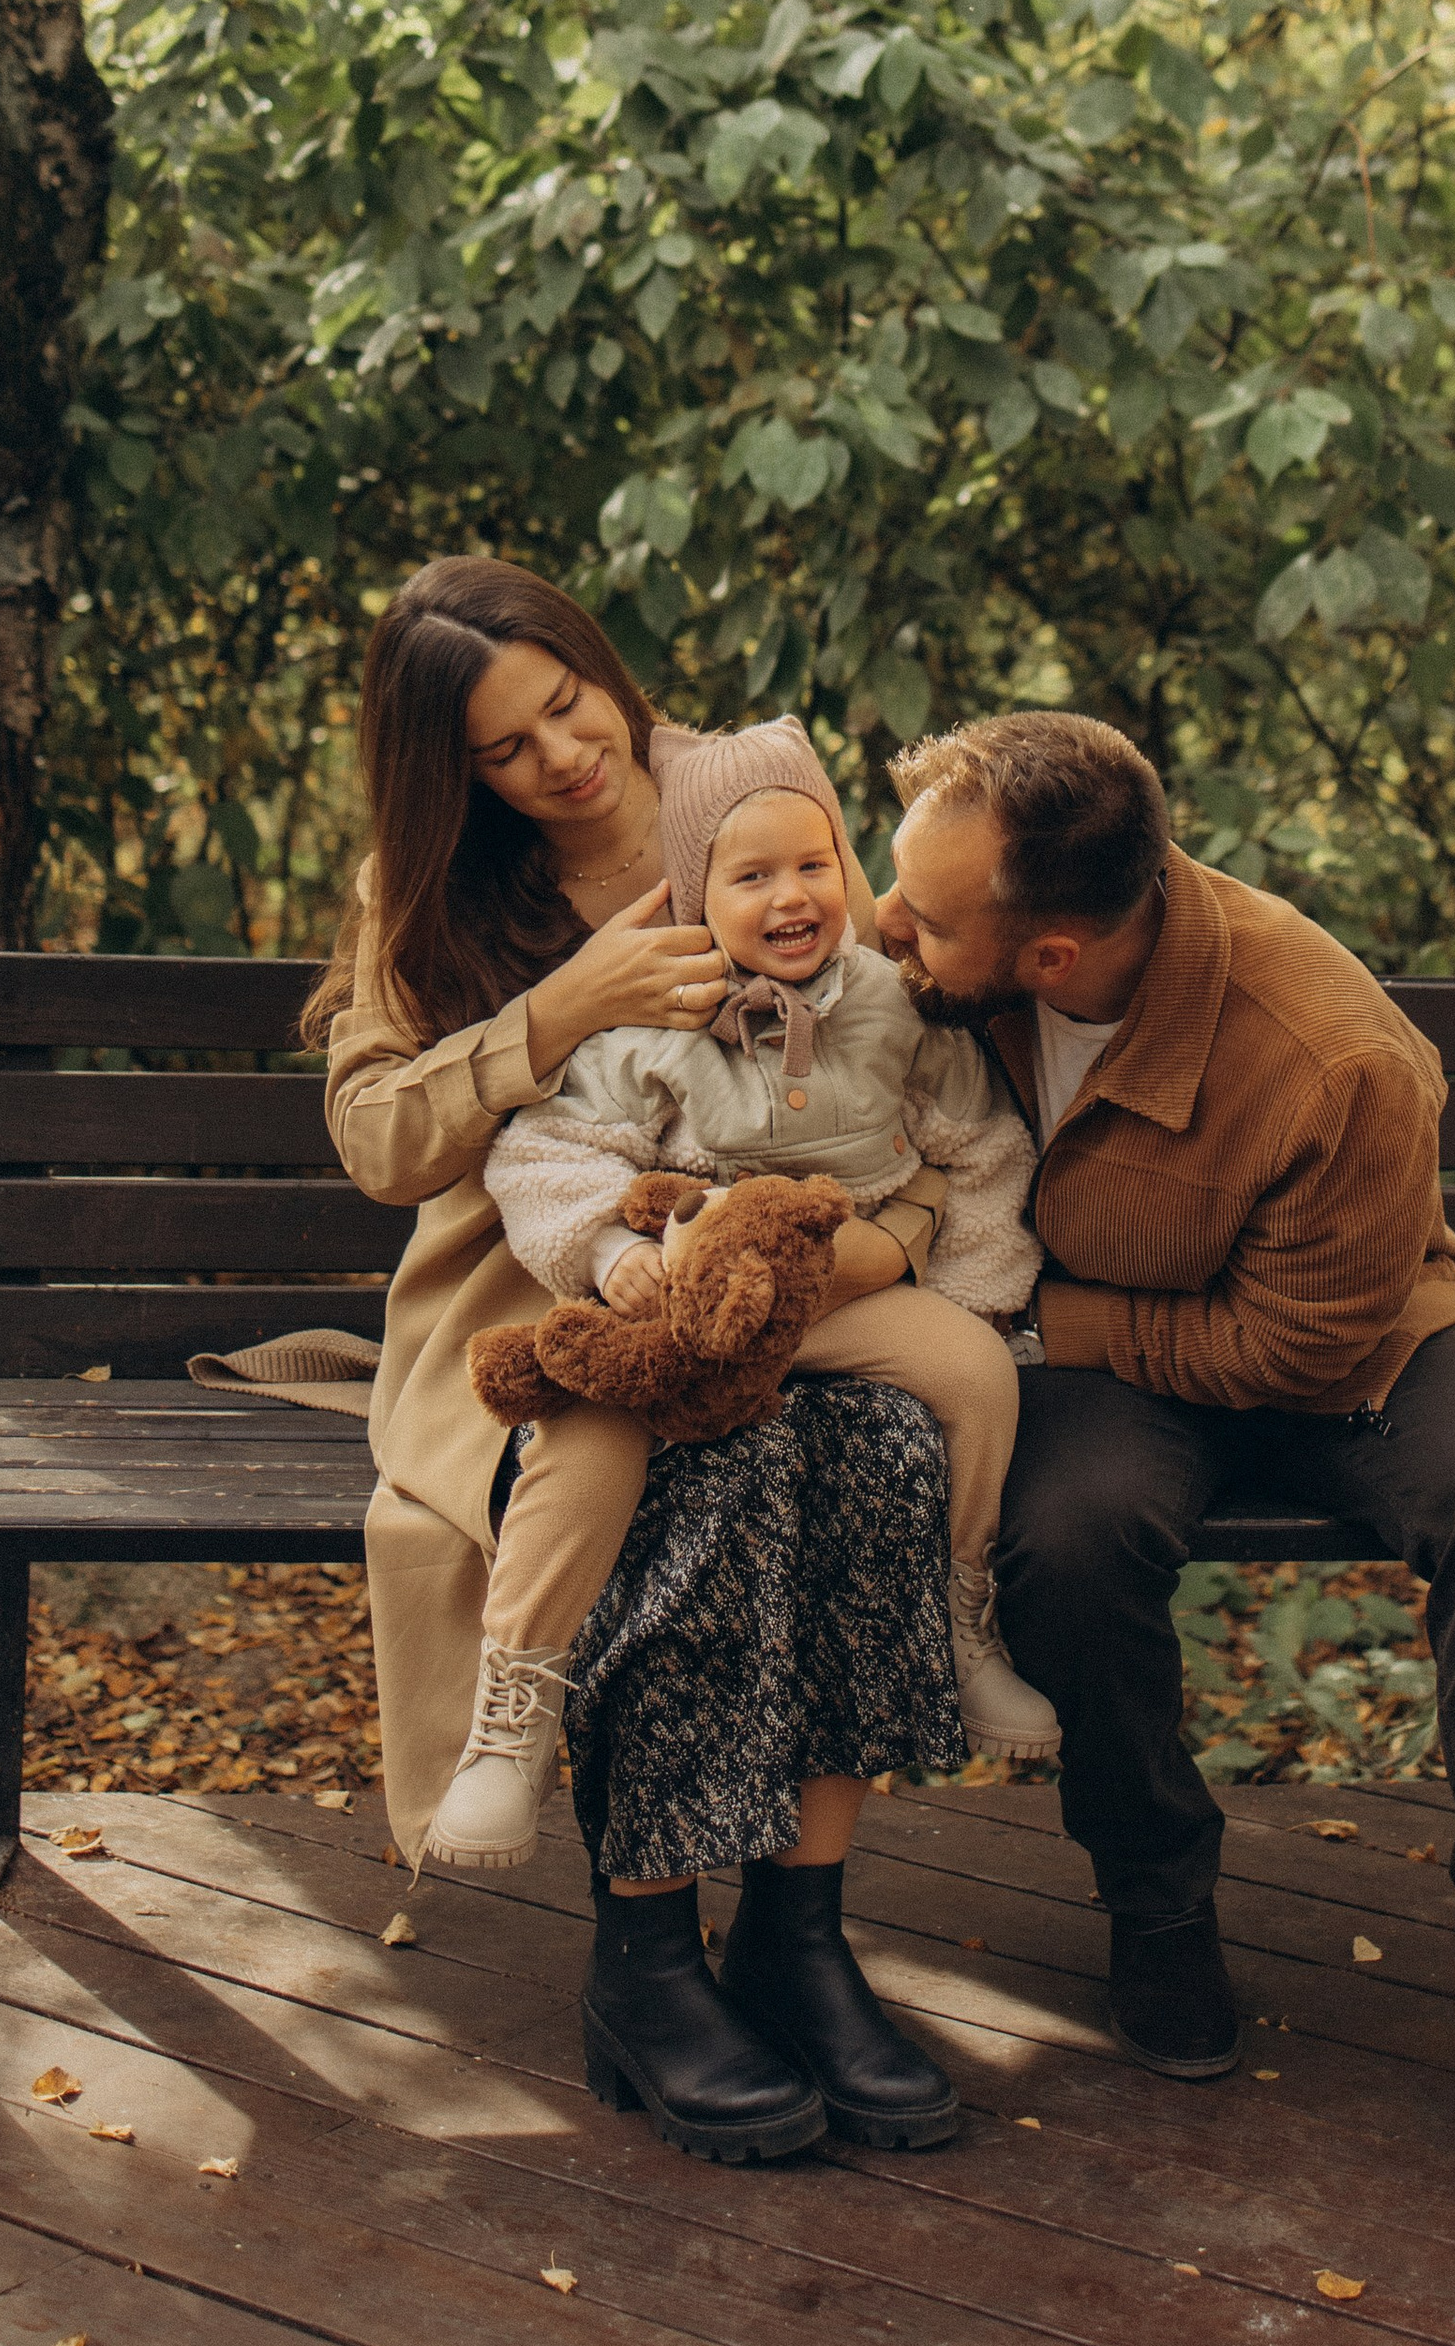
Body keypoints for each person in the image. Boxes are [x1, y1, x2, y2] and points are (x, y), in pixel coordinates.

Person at [876, 709, 1455, 2248]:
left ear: (1056, 955)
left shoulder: (1329, 1052)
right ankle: (1157, 1908)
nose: (887, 925)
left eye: (927, 915)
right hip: (1113, 1374)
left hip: (1341, 1339)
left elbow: (1296, 1346)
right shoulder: (934, 980)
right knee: (1069, 1536)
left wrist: (1045, 1319)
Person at [265, 556, 963, 2162]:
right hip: (551, 1301)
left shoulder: (747, 801)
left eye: (569, 709)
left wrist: (899, 1233)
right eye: (505, 752)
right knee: (709, 1467)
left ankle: (799, 1935)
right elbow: (377, 1137)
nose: (562, 762)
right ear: (456, 774)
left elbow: (908, 1038)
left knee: (880, 1456)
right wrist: (555, 1013)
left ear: (601, 668)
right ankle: (646, 1961)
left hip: (805, 1280)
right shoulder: (432, 885)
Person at [436, 713, 1054, 1869]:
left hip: (837, 1293)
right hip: (681, 1298)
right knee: (586, 1430)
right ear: (694, 895)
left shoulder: (892, 1005)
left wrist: (970, 1289)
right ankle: (512, 1711)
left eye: (813, 864)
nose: (790, 897)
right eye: (750, 874)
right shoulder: (655, 1020)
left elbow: (982, 1151)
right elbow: (542, 1156)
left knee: (973, 1377)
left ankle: (967, 1622)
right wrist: (612, 1263)